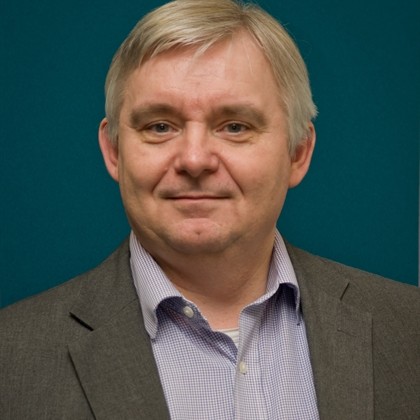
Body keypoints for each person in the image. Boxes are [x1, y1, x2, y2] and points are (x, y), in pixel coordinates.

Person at [1, 0, 418, 418]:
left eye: (235, 126)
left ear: (297, 152)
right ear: (114, 151)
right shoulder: (12, 359)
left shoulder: (409, 330)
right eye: (160, 126)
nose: (195, 159)